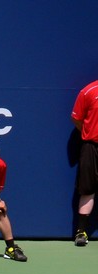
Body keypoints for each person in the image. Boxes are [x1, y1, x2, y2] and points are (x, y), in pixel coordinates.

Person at [71, 80, 98, 246]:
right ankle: (81, 232)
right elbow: (77, 119)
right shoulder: (88, 91)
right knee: (88, 189)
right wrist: (89, 133)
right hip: (91, 146)